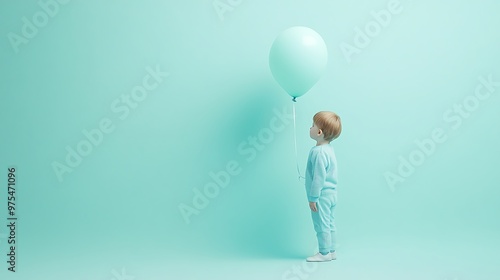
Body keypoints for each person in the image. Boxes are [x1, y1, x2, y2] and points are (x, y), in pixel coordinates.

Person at [305, 111, 342, 262]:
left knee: (321, 224)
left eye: (313, 125)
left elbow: (319, 179)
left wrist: (313, 198)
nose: (310, 127)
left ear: (319, 132)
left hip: (322, 196)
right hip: (332, 194)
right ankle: (332, 251)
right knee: (329, 222)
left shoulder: (318, 152)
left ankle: (324, 253)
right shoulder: (329, 149)